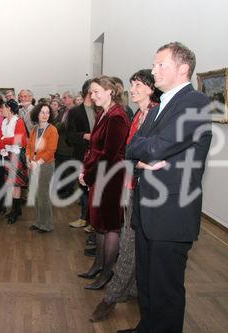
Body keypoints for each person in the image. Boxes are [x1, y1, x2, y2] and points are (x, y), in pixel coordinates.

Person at [120, 42, 212, 333]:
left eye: (161, 64)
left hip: (171, 213)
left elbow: (158, 146)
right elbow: (133, 146)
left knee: (166, 292)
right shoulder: (162, 105)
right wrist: (147, 154)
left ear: (183, 69)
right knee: (148, 285)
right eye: (154, 64)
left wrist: (149, 153)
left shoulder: (195, 102)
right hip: (149, 210)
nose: (153, 70)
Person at [90, 69, 160, 322]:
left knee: (128, 243)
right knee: (133, 241)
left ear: (151, 88)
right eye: (132, 84)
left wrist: (135, 161)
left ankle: (111, 297)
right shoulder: (138, 115)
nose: (133, 88)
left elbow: (141, 152)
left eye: (138, 84)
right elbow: (129, 151)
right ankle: (131, 289)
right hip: (130, 185)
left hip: (143, 188)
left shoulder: (154, 114)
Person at [77, 76, 131, 291]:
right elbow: (95, 149)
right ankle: (98, 265)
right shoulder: (103, 113)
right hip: (99, 175)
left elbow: (109, 154)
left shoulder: (117, 116)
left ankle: (107, 272)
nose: (93, 95)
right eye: (91, 92)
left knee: (110, 227)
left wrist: (89, 175)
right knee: (99, 224)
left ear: (110, 91)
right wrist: (86, 170)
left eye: (97, 91)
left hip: (111, 179)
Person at [66, 79, 95, 229]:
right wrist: (85, 135)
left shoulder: (101, 109)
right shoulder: (75, 112)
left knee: (96, 190)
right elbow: (69, 137)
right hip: (81, 155)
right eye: (94, 90)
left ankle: (93, 221)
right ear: (87, 92)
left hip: (98, 157)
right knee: (83, 188)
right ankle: (84, 218)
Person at [26, 102, 58, 232]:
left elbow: (51, 150)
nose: (45, 115)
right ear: (37, 114)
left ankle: (47, 225)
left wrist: (36, 162)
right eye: (42, 112)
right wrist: (28, 158)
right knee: (36, 195)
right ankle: (38, 222)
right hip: (32, 165)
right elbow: (28, 146)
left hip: (45, 166)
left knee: (44, 195)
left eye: (47, 112)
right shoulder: (34, 129)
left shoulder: (52, 130)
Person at [0, 99, 28, 224]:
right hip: (8, 155)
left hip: (16, 155)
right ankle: (17, 209)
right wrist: (6, 140)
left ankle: (14, 211)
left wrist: (4, 140)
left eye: (3, 107)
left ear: (9, 108)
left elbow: (20, 140)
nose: (1, 110)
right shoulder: (4, 121)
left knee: (16, 186)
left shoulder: (18, 121)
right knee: (12, 184)